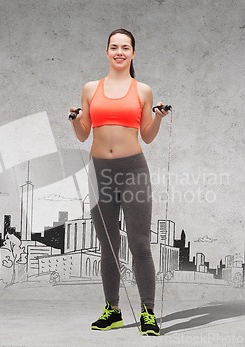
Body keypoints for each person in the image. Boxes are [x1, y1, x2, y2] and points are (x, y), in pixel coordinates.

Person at [69, 28, 169, 336]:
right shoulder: (90, 88)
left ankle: (148, 312)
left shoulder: (142, 91)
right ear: (107, 51)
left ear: (133, 53)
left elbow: (147, 137)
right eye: (114, 47)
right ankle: (112, 310)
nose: (119, 52)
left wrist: (159, 119)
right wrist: (75, 120)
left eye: (125, 47)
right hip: (100, 171)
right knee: (109, 246)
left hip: (133, 169)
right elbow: (84, 133)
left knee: (139, 244)